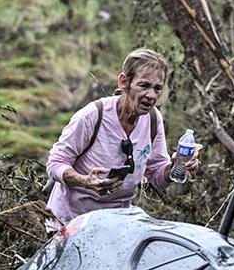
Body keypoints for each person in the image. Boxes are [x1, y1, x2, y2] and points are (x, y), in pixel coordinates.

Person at [44, 48, 199, 230]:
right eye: (144, 86)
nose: (152, 95)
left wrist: (177, 167)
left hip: (114, 225)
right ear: (124, 82)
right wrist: (86, 181)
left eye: (157, 88)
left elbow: (157, 176)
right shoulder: (93, 116)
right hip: (70, 223)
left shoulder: (153, 119)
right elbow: (55, 163)